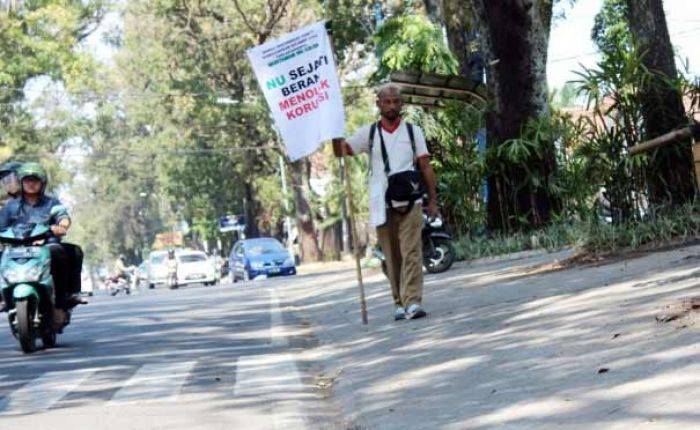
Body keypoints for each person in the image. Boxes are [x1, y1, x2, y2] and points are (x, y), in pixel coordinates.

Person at [332, 83, 439, 321]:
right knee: (392, 256)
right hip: (382, 203)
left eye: (396, 101)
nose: (391, 106)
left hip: (410, 201)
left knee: (412, 252)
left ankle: (412, 301)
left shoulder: (413, 132)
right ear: (378, 104)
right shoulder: (369, 134)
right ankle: (399, 302)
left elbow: (425, 166)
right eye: (387, 101)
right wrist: (331, 128)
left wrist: (433, 200)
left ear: (401, 104)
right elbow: (342, 151)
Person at [0, 162, 84, 311]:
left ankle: (67, 295)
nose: (31, 184)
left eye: (35, 180)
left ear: (42, 183)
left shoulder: (51, 202)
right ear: (21, 182)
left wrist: (62, 226)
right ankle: (2, 297)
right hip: (16, 248)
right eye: (27, 180)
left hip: (46, 245)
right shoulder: (11, 206)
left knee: (71, 251)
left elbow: (62, 215)